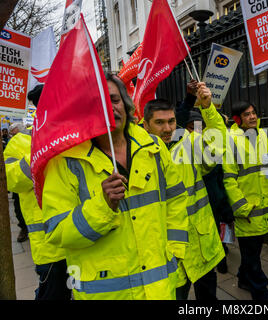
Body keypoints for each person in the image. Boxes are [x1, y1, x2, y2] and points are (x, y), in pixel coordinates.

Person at [41, 73, 189, 300]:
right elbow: (56, 232)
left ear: (126, 103)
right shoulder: (64, 162)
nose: (110, 108)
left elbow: (176, 199)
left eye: (114, 99)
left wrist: (176, 250)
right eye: (98, 102)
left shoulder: (154, 147)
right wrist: (102, 206)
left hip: (160, 288)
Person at [143, 82, 225, 300]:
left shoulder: (190, 141)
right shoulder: (138, 156)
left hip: (202, 244)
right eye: (159, 123)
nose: (168, 128)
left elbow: (217, 150)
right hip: (170, 253)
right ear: (146, 126)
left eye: (171, 121)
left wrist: (208, 108)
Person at [222, 101, 268, 300]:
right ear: (238, 119)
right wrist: (242, 208)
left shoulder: (267, 134)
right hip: (248, 212)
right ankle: (260, 293)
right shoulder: (230, 141)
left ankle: (244, 279)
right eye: (247, 114)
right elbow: (229, 180)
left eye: (254, 113)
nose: (253, 117)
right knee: (252, 256)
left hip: (266, 210)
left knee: (252, 253)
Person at [4, 86, 71, 300]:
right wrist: (42, 150)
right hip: (50, 247)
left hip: (84, 237)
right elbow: (13, 181)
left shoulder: (76, 136)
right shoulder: (20, 142)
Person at [8, 123, 29, 243]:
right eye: (12, 135)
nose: (13, 137)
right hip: (19, 184)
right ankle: (24, 228)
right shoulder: (13, 145)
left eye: (15, 134)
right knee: (18, 208)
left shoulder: (32, 138)